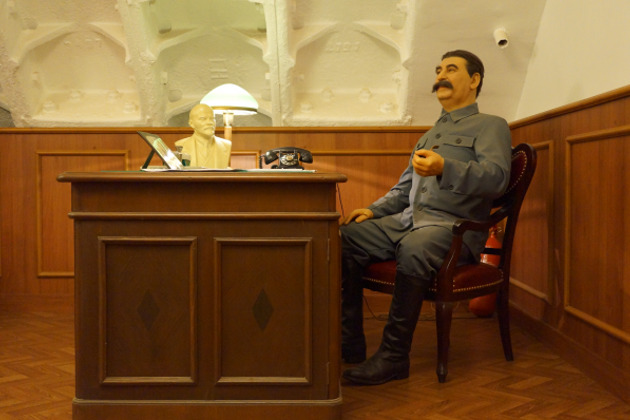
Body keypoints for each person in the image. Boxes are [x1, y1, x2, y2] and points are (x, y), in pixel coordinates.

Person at [339, 50, 512, 385]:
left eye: (451, 69)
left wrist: (446, 166)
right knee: (345, 237)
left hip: (453, 227)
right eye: (438, 70)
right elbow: (405, 187)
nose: (440, 76)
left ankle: (393, 357)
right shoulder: (430, 135)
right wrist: (374, 210)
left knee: (416, 247)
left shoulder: (491, 125)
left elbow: (497, 179)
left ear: (474, 80)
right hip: (408, 221)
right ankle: (350, 343)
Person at [175, 104, 232, 168]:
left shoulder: (226, 145)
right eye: (203, 119)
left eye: (212, 118)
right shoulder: (181, 145)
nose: (210, 122)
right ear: (191, 123)